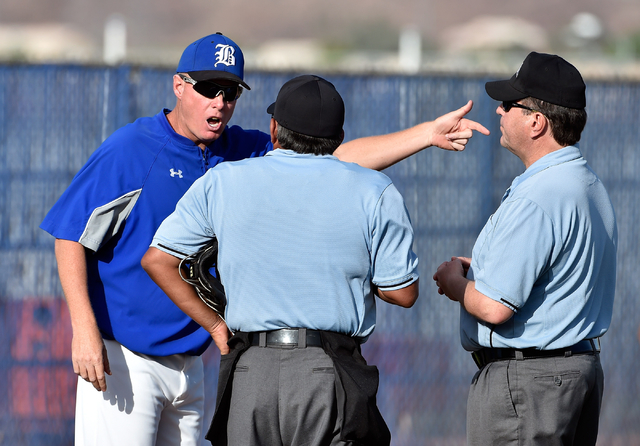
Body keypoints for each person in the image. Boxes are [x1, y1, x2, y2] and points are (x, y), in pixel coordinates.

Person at [40, 32, 488, 446]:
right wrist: (83, 330)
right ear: (178, 86)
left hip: (194, 361)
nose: (219, 102)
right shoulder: (131, 149)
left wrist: (426, 135)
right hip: (127, 358)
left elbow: (328, 156)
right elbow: (70, 234)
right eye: (207, 87)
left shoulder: (237, 153)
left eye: (230, 91)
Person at [141, 74, 419, 446]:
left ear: (274, 129)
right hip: (327, 369)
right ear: (337, 137)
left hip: (249, 370)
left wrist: (215, 325)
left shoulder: (224, 180)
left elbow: (158, 260)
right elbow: (403, 293)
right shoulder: (374, 189)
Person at [432, 52, 618, 446]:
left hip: (530, 385)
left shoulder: (540, 195)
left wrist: (454, 283)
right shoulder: (586, 183)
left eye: (509, 104)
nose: (499, 111)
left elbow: (495, 308)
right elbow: (556, 267)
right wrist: (482, 266)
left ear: (536, 122)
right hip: (575, 372)